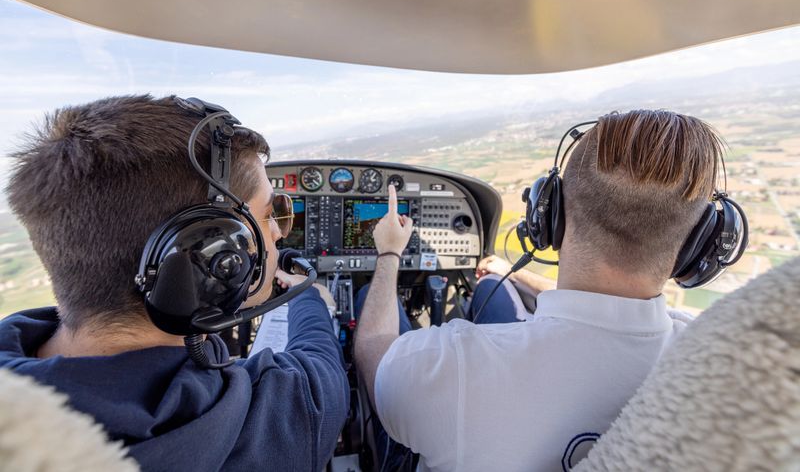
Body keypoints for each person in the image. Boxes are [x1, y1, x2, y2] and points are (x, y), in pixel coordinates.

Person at [356, 110, 725, 471]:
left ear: (549, 217)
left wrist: (389, 252)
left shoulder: (450, 370)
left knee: (364, 300)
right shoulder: (716, 364)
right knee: (489, 287)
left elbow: (373, 348)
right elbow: (606, 306)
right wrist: (512, 274)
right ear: (699, 245)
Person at [0, 95, 349, 471]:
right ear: (212, 255)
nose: (279, 234)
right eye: (270, 214)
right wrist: (309, 296)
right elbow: (322, 363)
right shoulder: (284, 415)